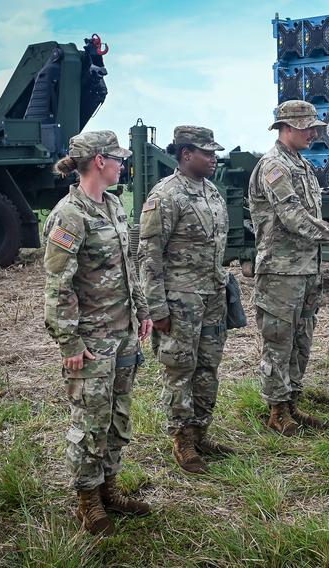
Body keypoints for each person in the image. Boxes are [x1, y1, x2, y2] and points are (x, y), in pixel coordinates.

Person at [247, 99, 329, 435]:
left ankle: (292, 402)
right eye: (308, 128)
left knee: (302, 338)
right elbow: (295, 220)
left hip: (306, 270)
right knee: (279, 340)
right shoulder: (273, 167)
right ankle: (277, 410)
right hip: (280, 272)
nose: (313, 134)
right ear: (288, 127)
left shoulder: (300, 165)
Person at [44, 131, 153, 535]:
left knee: (117, 416)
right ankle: (88, 501)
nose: (123, 164)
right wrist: (69, 341)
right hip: (91, 341)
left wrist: (141, 310)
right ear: (99, 161)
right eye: (118, 158)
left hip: (122, 332)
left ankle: (110, 489)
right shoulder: (69, 214)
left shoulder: (112, 205)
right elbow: (58, 285)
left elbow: (130, 264)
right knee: (90, 422)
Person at [138, 126, 234, 475]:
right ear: (185, 154)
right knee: (180, 370)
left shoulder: (212, 191)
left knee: (208, 366)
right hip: (180, 301)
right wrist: (157, 308)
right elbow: (149, 255)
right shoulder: (165, 195)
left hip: (211, 297)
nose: (213, 158)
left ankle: (199, 431)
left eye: (213, 152)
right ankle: (181, 439)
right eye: (206, 153)